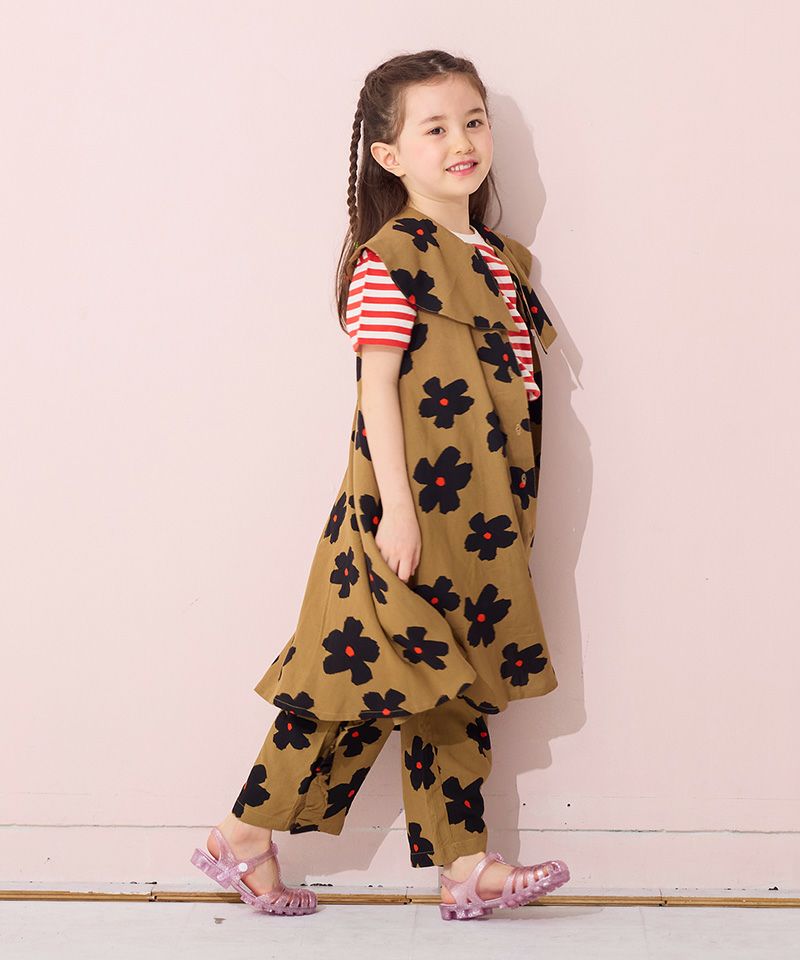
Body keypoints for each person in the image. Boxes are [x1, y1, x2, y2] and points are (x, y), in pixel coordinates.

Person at [191, 49, 570, 921]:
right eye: (435, 129)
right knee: (352, 680)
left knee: (454, 685)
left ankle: (462, 865)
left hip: (481, 519)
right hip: (405, 511)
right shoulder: (391, 259)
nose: (461, 142)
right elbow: (376, 392)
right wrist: (398, 511)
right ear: (389, 155)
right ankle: (241, 834)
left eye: (473, 121)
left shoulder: (498, 257)